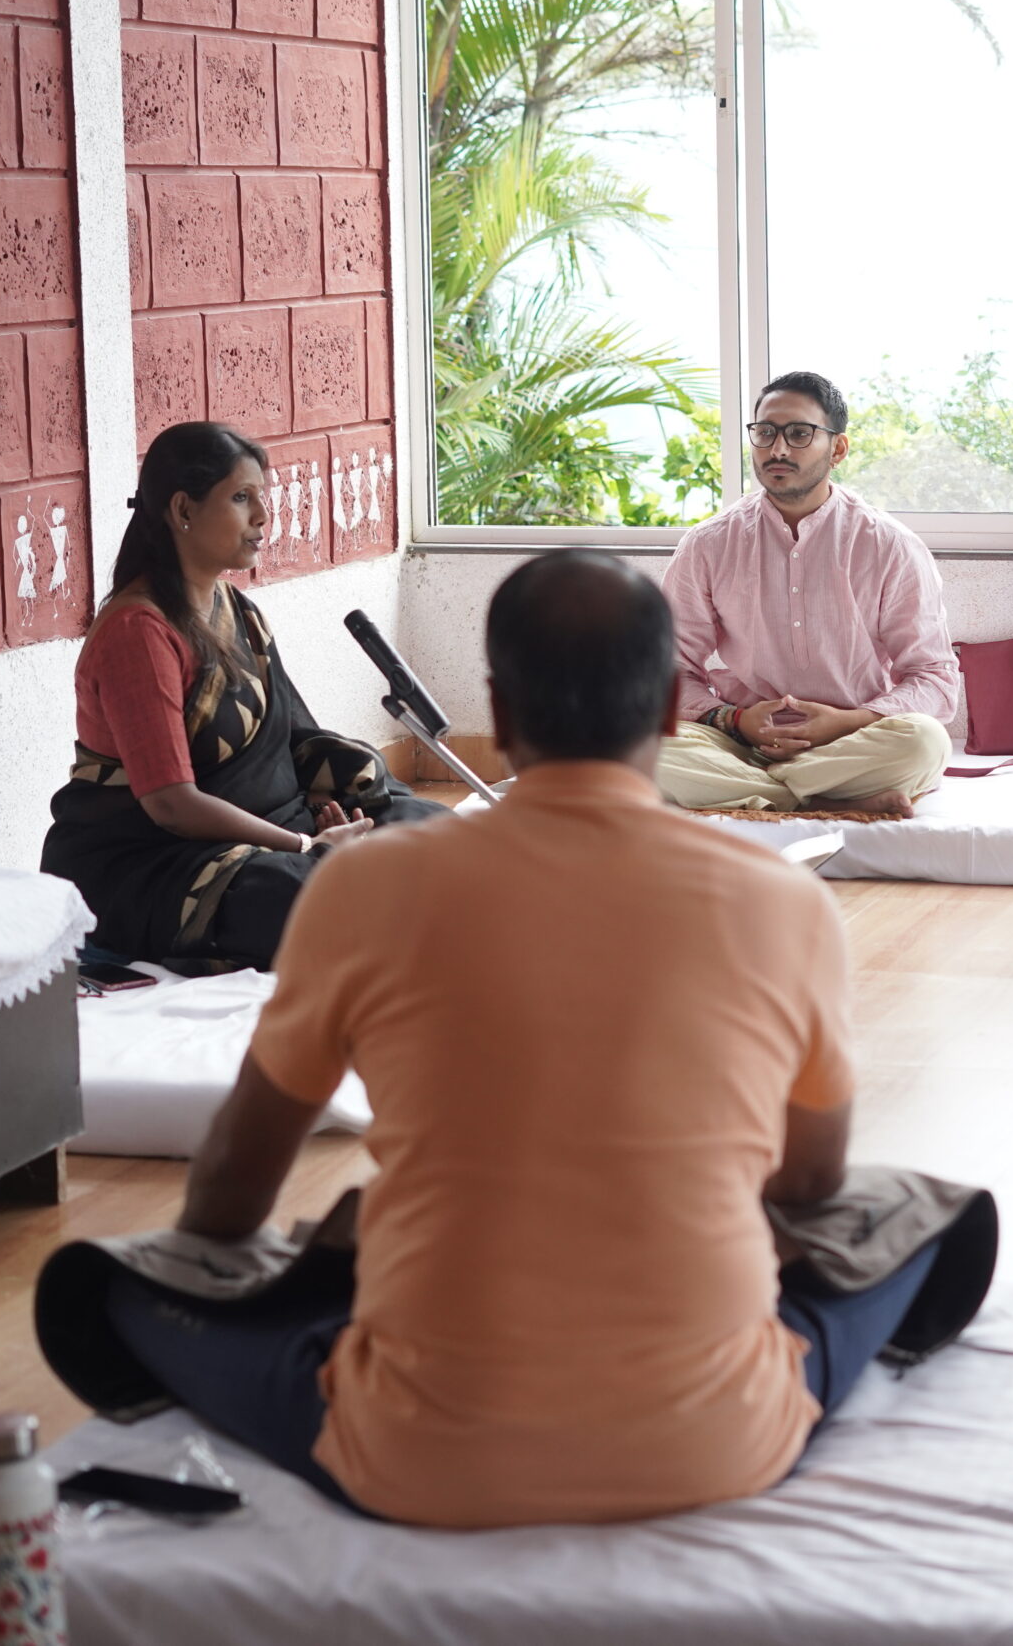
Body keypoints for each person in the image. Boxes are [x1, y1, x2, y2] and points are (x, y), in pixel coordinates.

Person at [88, 552, 956, 1527]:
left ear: (498, 713)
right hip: (717, 1442)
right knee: (916, 1215)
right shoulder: (784, 904)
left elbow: (229, 1196)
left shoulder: (363, 886)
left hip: (414, 1454)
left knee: (110, 1286)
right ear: (673, 707)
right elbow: (808, 1190)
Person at [40, 423, 443, 972]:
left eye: (262, 496)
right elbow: (172, 805)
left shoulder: (237, 610)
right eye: (241, 497)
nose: (262, 516)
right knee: (334, 900)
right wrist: (305, 848)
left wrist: (334, 811)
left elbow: (296, 738)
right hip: (156, 861)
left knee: (435, 835)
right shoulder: (138, 633)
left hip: (272, 830)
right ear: (183, 509)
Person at [658, 370, 957, 816]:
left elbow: (934, 677)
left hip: (851, 741)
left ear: (837, 449)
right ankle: (822, 799)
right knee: (638, 744)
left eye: (799, 434)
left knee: (924, 742)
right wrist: (734, 720)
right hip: (739, 742)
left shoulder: (889, 545)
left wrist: (848, 722)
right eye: (765, 433)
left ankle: (765, 795)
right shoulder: (708, 544)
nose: (777, 449)